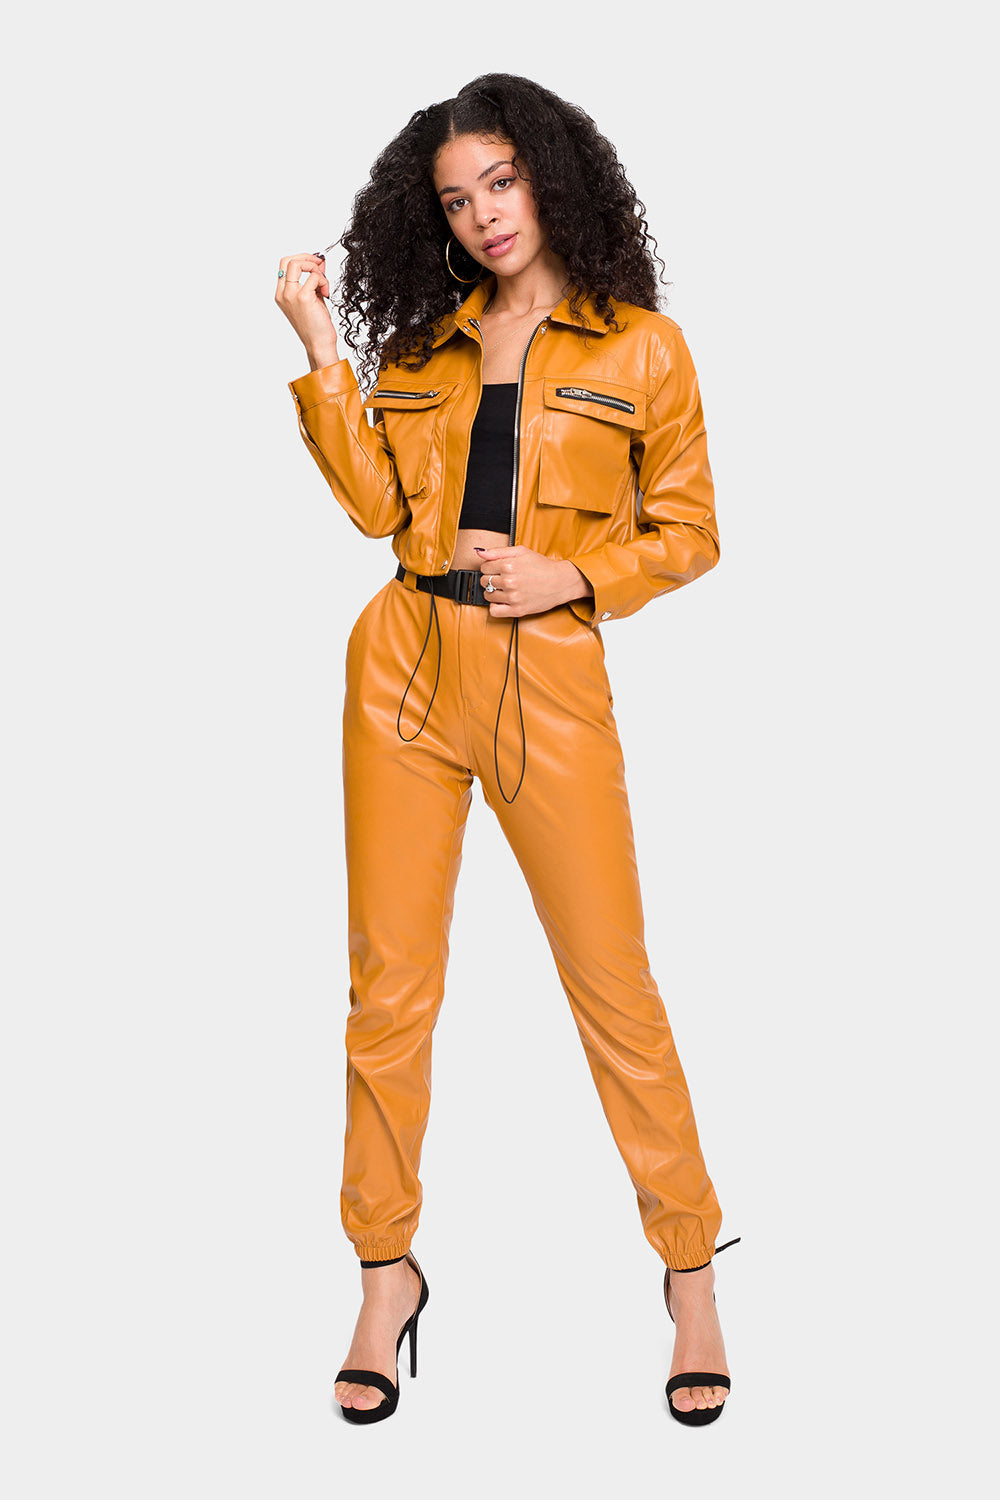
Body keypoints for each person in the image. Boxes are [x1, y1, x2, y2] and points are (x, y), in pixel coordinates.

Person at [275, 72, 740, 1427]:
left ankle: (691, 1269)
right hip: (402, 669)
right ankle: (384, 1273)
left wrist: (575, 576)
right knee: (388, 992)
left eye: (502, 180)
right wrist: (320, 342)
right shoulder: (424, 348)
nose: (483, 213)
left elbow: (693, 531)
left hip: (547, 675)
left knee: (613, 986)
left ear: (549, 177)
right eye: (456, 199)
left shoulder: (642, 349)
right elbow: (374, 508)